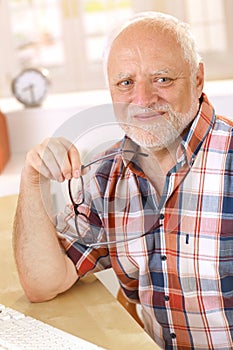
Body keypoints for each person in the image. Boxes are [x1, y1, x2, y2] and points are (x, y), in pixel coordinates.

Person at [13, 11, 233, 350]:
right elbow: (43, 284)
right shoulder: (105, 174)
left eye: (162, 79)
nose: (142, 100)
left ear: (198, 78)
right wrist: (32, 178)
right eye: (125, 83)